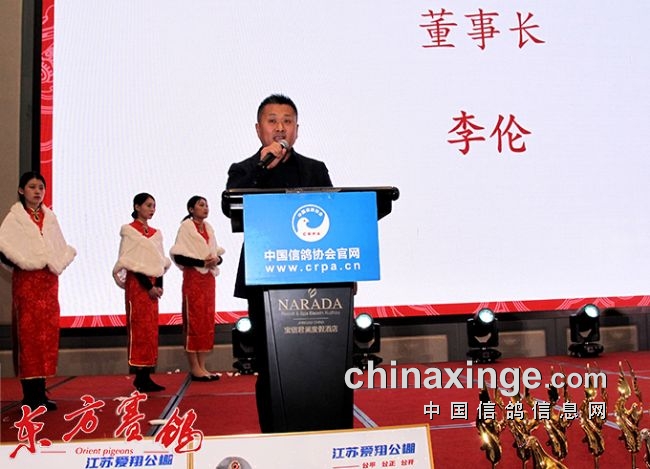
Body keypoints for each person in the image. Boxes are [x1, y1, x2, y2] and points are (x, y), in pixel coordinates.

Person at [225, 94, 332, 431]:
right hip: (265, 279)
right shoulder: (243, 170)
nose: (280, 127)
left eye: (287, 121)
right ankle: (274, 435)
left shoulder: (315, 169)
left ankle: (319, 430)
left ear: (297, 129)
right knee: (271, 364)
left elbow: (334, 219)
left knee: (316, 362)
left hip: (313, 280)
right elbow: (231, 208)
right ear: (259, 129)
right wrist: (260, 169)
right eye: (272, 121)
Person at [0, 171, 76, 410]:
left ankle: (41, 391)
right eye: (32, 187)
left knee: (46, 335)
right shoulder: (15, 218)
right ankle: (30, 395)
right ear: (21, 190)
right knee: (29, 335)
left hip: (48, 283)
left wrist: (56, 263)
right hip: (27, 283)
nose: (37, 191)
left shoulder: (50, 217)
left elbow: (59, 247)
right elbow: (4, 247)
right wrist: (22, 262)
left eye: (41, 187)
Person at [113, 192, 171, 392]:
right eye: (148, 205)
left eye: (153, 205)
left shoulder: (155, 233)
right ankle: (139, 375)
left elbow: (160, 261)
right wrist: (149, 287)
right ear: (137, 207)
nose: (152, 209)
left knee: (150, 329)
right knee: (139, 328)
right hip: (138, 286)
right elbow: (131, 263)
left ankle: (146, 375)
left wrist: (159, 285)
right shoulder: (129, 231)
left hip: (153, 285)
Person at [170, 195, 225, 382]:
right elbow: (179, 256)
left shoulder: (209, 228)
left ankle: (202, 365)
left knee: (206, 321)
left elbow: (216, 254)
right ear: (191, 209)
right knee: (193, 320)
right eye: (201, 205)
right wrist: (202, 262)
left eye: (207, 205)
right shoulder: (186, 228)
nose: (206, 208)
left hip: (208, 280)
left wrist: (216, 259)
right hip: (193, 279)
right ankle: (194, 367)